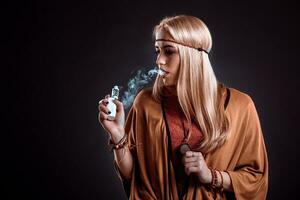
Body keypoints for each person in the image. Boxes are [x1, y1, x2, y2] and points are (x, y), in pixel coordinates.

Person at [98, 15, 268, 200]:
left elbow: (256, 179)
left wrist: (210, 175)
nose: (159, 60)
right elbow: (133, 176)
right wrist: (117, 135)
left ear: (193, 55)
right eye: (158, 51)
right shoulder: (145, 103)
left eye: (169, 51)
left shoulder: (240, 106)